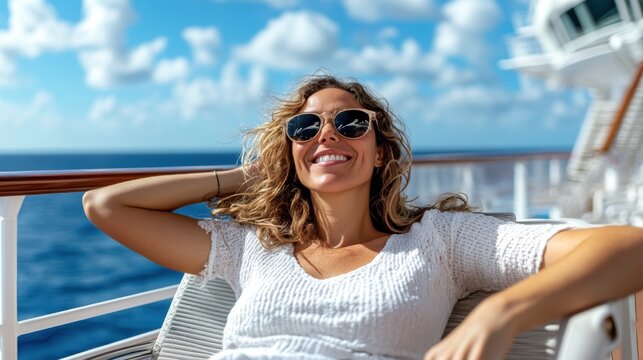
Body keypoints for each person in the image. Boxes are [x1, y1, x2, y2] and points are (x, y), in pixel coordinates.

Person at [83, 74, 643, 360]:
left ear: (381, 150)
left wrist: (500, 314)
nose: (326, 134)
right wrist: (253, 176)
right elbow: (106, 206)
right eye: (305, 129)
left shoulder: (440, 241)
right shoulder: (253, 246)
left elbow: (628, 247)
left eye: (349, 123)